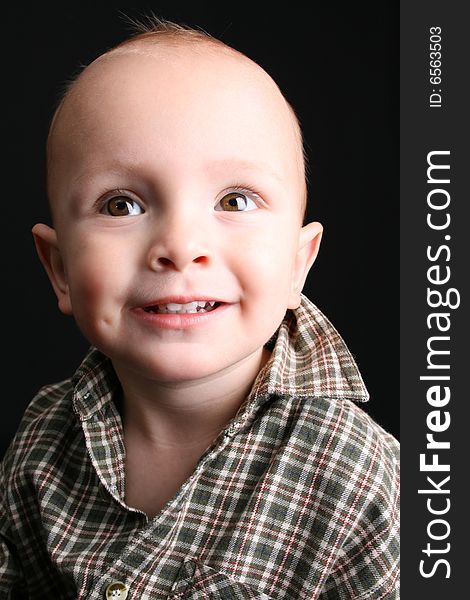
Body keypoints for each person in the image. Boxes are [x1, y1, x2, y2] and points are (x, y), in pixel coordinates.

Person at [0, 18, 399, 599]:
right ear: (59, 269)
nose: (182, 245)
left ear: (297, 263)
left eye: (234, 200)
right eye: (122, 204)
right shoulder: (44, 443)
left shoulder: (355, 477)